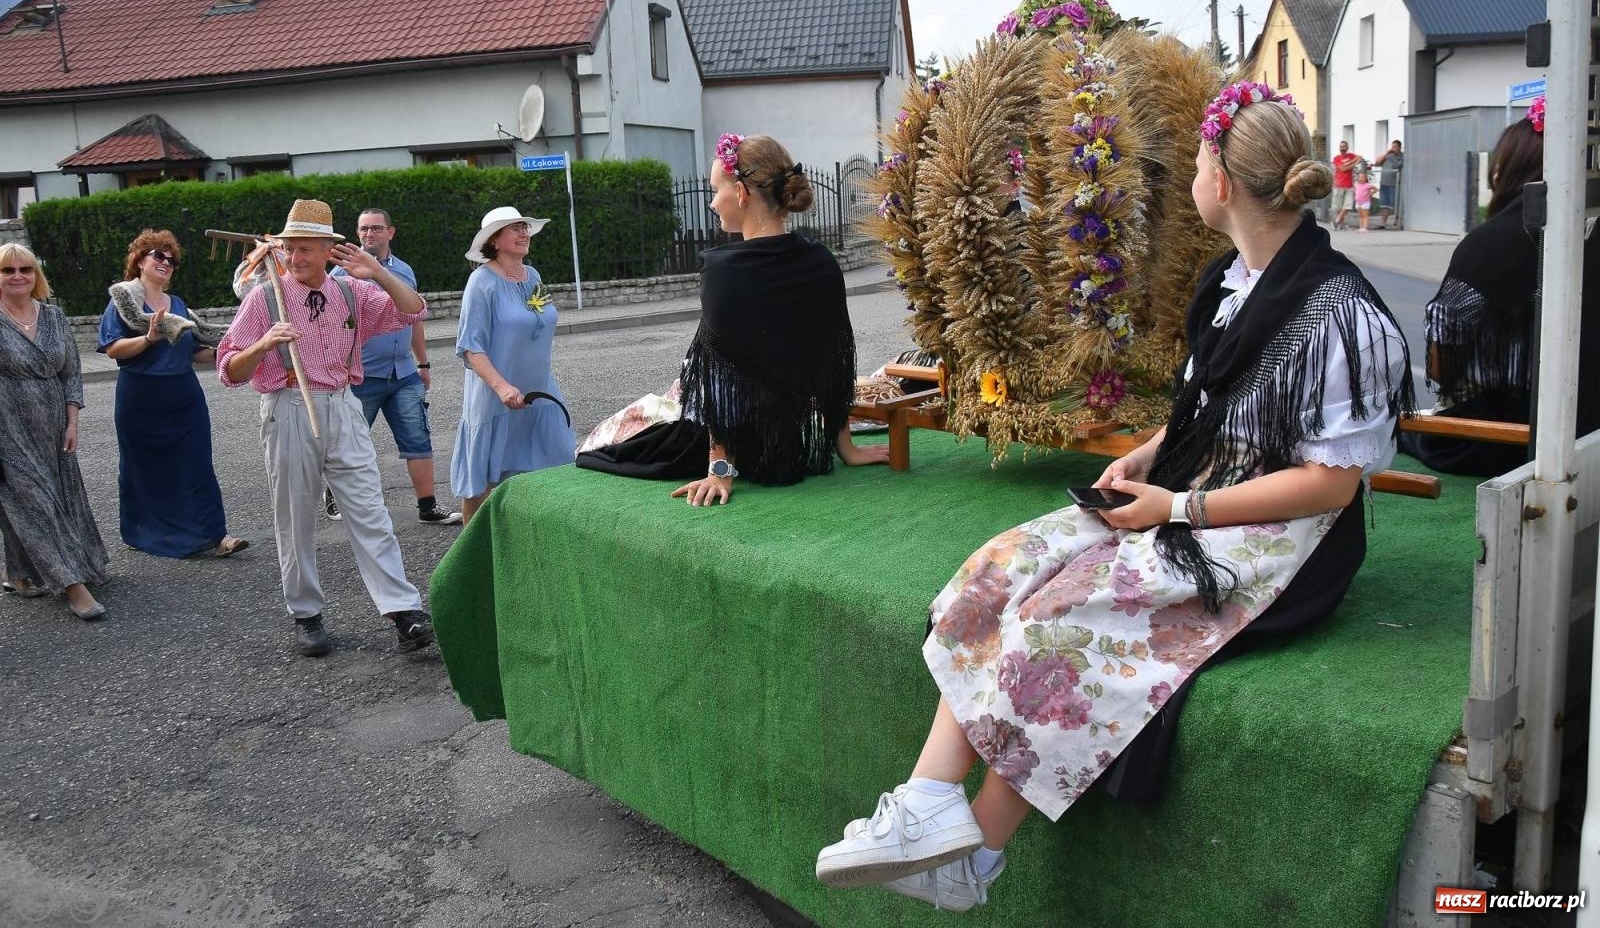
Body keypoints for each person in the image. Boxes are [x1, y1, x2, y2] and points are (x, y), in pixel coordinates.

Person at [814, 85, 1412, 912]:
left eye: (1199, 160)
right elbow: (1210, 409)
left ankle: (974, 856)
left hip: (1279, 539)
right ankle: (926, 804)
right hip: (1194, 493)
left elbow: (1330, 484)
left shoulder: (1342, 313)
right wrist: (1148, 455)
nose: (1192, 174)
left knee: (1065, 617)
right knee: (1005, 566)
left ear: (1225, 183)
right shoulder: (1234, 280)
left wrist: (1174, 510)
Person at [576, 133, 890, 504]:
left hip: (732, 446)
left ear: (741, 193)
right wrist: (847, 449)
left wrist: (719, 470)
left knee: (600, 446)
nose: (711, 202)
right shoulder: (821, 261)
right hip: (792, 447)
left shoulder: (724, 271)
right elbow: (833, 362)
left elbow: (719, 375)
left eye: (715, 189)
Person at [216, 199, 435, 658]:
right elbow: (229, 369)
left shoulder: (350, 294)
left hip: (343, 406)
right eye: (289, 249)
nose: (295, 259)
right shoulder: (266, 297)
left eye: (304, 249)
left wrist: (375, 270)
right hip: (290, 406)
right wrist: (265, 343)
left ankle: (403, 611)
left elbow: (414, 310)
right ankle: (306, 613)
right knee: (295, 517)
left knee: (370, 511)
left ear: (327, 249)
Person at [1402, 97, 1600, 476]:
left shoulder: (1486, 246)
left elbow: (1442, 363)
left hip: (1490, 440)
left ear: (1506, 171)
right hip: (1584, 429)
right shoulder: (1588, 235)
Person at [97, 230, 247, 559]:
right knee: (145, 470)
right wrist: (149, 338)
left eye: (172, 259)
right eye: (158, 255)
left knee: (197, 466)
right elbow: (113, 350)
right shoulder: (123, 303)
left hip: (184, 396)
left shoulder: (178, 306)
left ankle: (216, 536)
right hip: (140, 397)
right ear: (139, 261)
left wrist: (235, 350)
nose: (166, 262)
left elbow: (197, 352)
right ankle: (146, 533)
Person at [326, 208, 462, 526]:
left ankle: (428, 507)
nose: (369, 235)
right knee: (349, 442)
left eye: (376, 229)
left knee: (418, 438)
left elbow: (414, 317)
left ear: (391, 232)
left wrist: (423, 362)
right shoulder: (340, 275)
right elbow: (333, 327)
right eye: (363, 230)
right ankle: (335, 496)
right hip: (362, 375)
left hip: (403, 373)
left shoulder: (404, 270)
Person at [0, 243, 110, 620]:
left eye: (25, 269)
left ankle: (20, 573)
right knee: (33, 501)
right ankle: (72, 586)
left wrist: (73, 420)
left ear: (36, 275)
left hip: (53, 422)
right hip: (7, 425)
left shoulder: (53, 316)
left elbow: (72, 372)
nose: (17, 276)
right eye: (7, 270)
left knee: (56, 496)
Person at [451, 206, 576, 525]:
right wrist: (502, 386)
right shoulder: (481, 282)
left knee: (555, 461)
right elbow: (471, 347)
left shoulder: (532, 276)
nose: (523, 234)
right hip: (496, 395)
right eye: (514, 229)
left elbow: (539, 318)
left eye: (525, 228)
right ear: (494, 240)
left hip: (538, 390)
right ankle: (468, 559)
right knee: (481, 486)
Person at [1330, 139, 1362, 229]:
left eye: (1344, 146)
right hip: (1338, 184)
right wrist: (1354, 162)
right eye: (1341, 147)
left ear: (1347, 147)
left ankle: (1337, 220)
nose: (1342, 148)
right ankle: (1340, 224)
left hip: (1349, 185)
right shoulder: (1336, 158)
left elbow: (1360, 157)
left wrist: (1352, 161)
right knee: (1338, 207)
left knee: (1348, 205)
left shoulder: (1351, 155)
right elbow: (1343, 169)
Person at [1373, 139, 1404, 229]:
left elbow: (1399, 166)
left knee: (1393, 204)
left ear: (1399, 147)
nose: (1393, 148)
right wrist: (1387, 152)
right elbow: (1377, 163)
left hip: (1394, 184)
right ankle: (1383, 223)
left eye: (1395, 147)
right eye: (1392, 146)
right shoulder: (1388, 155)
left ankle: (1397, 221)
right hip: (1384, 183)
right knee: (1384, 204)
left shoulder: (1402, 156)